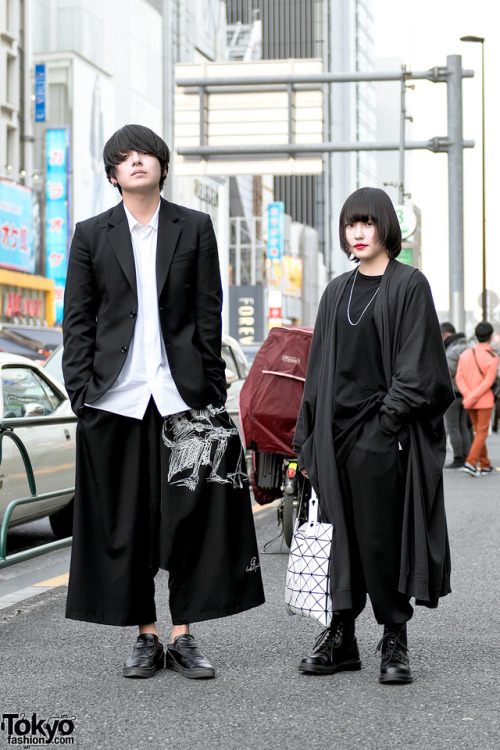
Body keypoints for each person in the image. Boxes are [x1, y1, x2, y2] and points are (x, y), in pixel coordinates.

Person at [62, 124, 264, 680]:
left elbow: (208, 312)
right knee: (126, 521)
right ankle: (146, 636)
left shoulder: (194, 227)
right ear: (112, 175)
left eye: (145, 154)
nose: (135, 162)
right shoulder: (90, 235)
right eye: (123, 158)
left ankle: (185, 634)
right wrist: (81, 392)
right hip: (116, 400)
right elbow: (78, 321)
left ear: (162, 166)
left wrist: (212, 392)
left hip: (184, 399)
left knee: (191, 518)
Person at [293, 187, 454, 684]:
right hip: (333, 437)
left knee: (381, 539)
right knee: (336, 536)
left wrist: (386, 424)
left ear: (386, 228)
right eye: (350, 225)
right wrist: (308, 437)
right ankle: (341, 637)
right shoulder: (335, 291)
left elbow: (421, 366)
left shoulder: (409, 285)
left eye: (367, 223)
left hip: (381, 435)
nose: (358, 233)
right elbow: (318, 369)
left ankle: (394, 638)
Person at [455, 321, 499, 477]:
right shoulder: (492, 356)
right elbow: (489, 381)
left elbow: (459, 378)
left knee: (478, 431)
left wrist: (468, 396)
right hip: (484, 401)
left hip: (469, 401)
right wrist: (473, 396)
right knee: (481, 432)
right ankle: (471, 463)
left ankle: (485, 463)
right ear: (490, 336)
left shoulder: (465, 354)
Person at [440, 322, 471, 468]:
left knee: (453, 426)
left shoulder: (453, 351)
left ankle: (458, 457)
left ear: (447, 334)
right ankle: (466, 456)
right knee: (463, 425)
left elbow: (447, 372)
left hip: (454, 392)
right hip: (467, 393)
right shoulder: (468, 347)